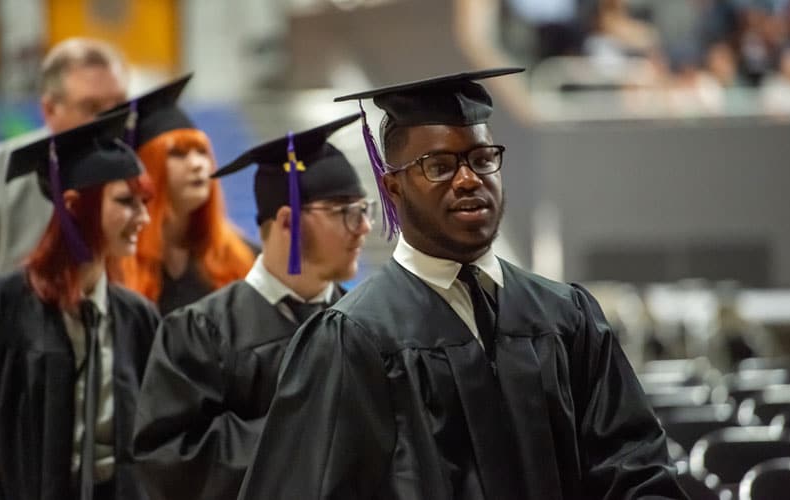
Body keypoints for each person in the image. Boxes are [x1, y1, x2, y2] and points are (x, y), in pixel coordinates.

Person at [238, 68, 687, 499]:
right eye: (439, 165)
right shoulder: (353, 339)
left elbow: (634, 466)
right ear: (392, 187)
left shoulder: (566, 317)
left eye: (482, 158)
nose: (469, 179)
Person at [131, 113, 374, 500]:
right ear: (287, 222)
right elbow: (170, 461)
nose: (363, 227)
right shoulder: (199, 332)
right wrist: (307, 428)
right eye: (344, 210)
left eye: (364, 209)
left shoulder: (367, 326)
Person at [0, 111, 159, 499]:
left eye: (144, 202)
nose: (144, 217)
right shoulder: (7, 305)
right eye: (126, 201)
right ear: (72, 204)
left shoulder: (137, 316)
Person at [113, 75, 256, 315]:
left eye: (202, 152)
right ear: (146, 168)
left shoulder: (242, 257)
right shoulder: (115, 264)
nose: (197, 164)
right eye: (178, 154)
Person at [0, 37, 129, 275]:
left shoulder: (139, 169)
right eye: (92, 108)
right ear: (49, 110)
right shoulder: (3, 171)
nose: (111, 120)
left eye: (120, 105)